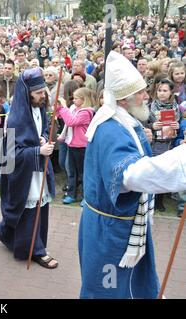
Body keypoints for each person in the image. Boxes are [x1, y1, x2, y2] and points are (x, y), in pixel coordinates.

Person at [79, 51, 186, 299]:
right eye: (140, 93)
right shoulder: (110, 129)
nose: (147, 96)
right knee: (109, 290)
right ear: (124, 100)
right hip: (111, 229)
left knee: (130, 284)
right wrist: (181, 160)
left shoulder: (125, 120)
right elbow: (130, 175)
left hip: (123, 223)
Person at [0, 68, 58, 269]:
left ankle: (10, 234)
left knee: (39, 207)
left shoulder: (39, 109)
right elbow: (12, 153)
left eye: (43, 91)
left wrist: (43, 138)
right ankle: (35, 250)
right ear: (27, 92)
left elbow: (43, 131)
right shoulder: (16, 118)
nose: (43, 96)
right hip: (23, 172)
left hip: (38, 169)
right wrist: (38, 150)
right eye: (38, 92)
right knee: (29, 210)